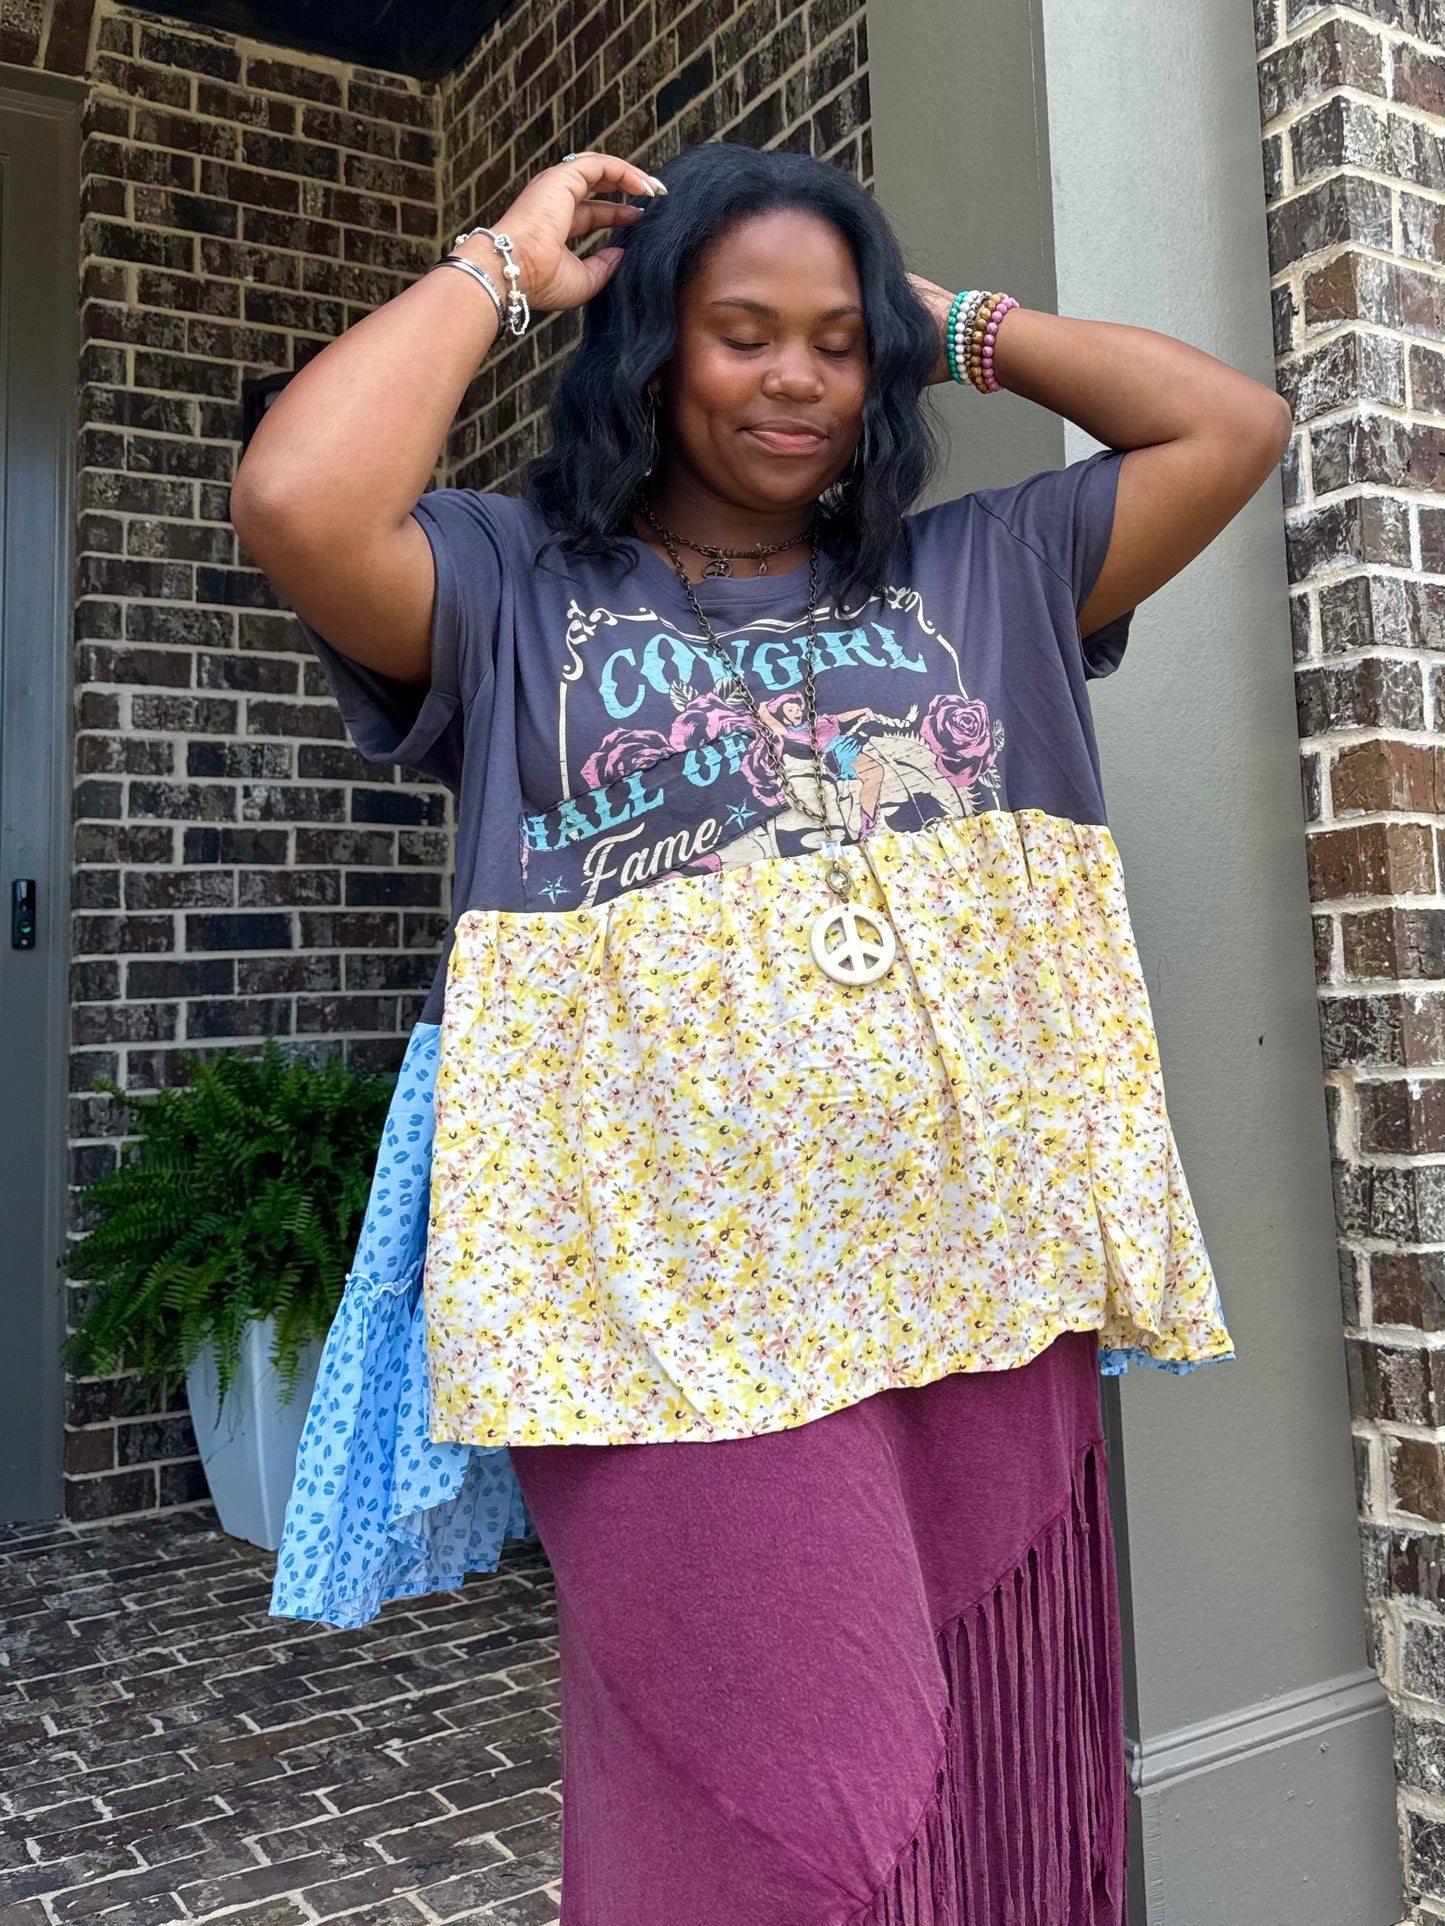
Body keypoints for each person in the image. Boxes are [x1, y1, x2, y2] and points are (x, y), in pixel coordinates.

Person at [239, 141, 1289, 1926]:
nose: (797, 377)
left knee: (970, 1765)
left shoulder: (983, 572)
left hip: (972, 1273)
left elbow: (1229, 426)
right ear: (654, 351)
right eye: (743, 334)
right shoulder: (514, 588)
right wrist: (504, 268)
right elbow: (297, 497)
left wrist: (944, 321)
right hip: (655, 1316)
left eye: (835, 341)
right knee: (784, 1808)